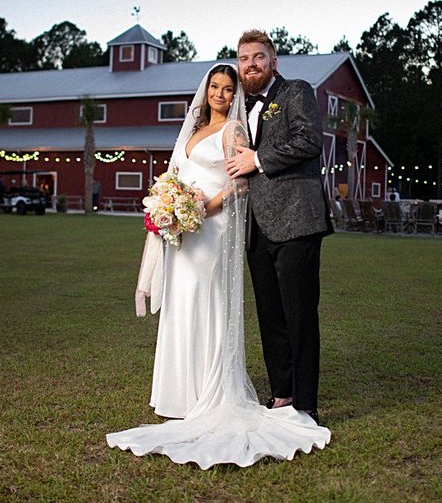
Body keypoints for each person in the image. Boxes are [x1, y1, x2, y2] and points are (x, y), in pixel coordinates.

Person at [107, 63, 330, 469]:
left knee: (205, 300)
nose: (221, 94)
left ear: (235, 95)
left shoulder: (235, 131)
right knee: (181, 302)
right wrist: (169, 206)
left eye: (229, 89)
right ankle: (180, 394)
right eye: (215, 86)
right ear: (205, 89)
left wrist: (196, 210)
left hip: (212, 226)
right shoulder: (191, 132)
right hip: (185, 230)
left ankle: (210, 390)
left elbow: (239, 184)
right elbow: (177, 175)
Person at [225, 29, 333, 424]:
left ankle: (305, 405)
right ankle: (282, 396)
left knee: (299, 314)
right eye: (243, 58)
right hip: (255, 227)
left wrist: (258, 160)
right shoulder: (238, 108)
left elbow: (309, 141)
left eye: (258, 57)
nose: (250, 64)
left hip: (296, 219)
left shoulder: (296, 92)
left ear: (274, 62)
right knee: (269, 315)